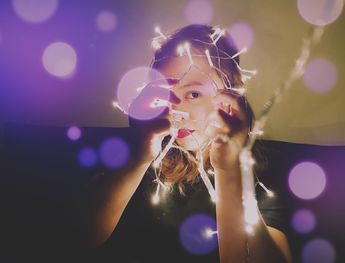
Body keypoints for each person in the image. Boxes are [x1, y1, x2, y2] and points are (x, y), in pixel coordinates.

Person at [75, 24, 292, 263]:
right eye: (165, 93)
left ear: (231, 92)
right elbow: (78, 238)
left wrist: (229, 168)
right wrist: (139, 157)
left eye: (194, 94)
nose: (177, 110)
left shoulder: (260, 174)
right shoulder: (140, 156)